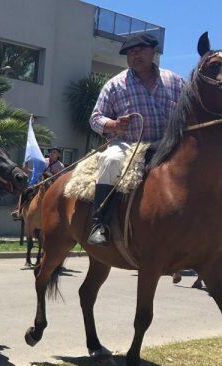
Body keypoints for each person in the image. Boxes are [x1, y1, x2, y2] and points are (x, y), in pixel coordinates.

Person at [88, 33, 185, 246]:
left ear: (154, 52)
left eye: (140, 50)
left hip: (170, 145)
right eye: (130, 52)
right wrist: (113, 125)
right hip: (129, 145)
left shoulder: (175, 81)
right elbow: (95, 119)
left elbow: (190, 111)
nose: (135, 55)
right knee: (110, 160)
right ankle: (99, 225)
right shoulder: (114, 84)